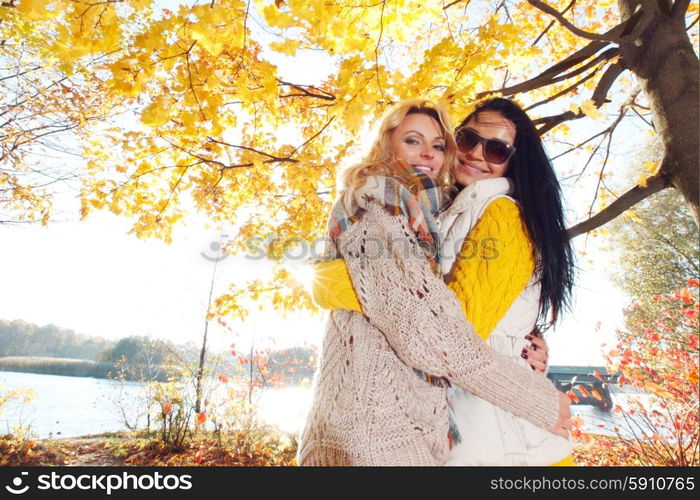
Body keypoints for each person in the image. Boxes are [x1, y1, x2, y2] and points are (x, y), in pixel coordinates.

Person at [297, 99, 571, 466]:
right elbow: (423, 308)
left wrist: (337, 282)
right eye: (467, 138)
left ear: (514, 162)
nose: (475, 153)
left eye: (496, 148)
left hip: (499, 435)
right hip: (461, 422)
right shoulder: (431, 213)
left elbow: (447, 326)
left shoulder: (501, 215)